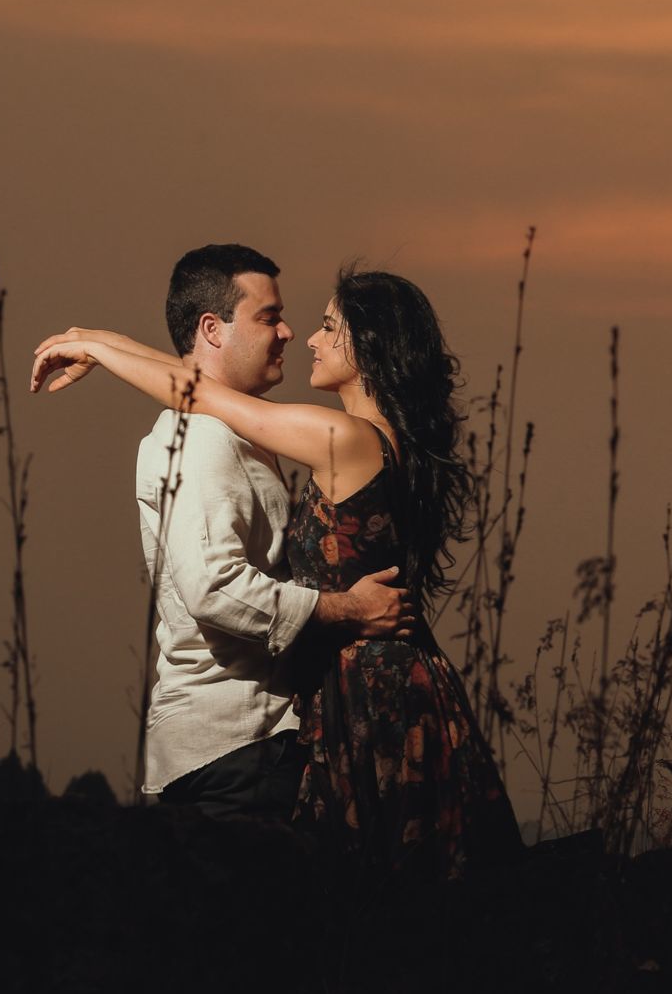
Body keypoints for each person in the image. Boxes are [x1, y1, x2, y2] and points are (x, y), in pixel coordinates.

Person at [34, 260, 522, 877]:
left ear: (365, 345)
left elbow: (201, 393)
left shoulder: (343, 437)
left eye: (327, 326)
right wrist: (96, 338)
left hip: (374, 688)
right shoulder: (384, 439)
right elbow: (204, 387)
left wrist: (97, 348)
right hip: (384, 679)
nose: (308, 338)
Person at [65, 244, 416, 821]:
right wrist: (345, 609)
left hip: (264, 737)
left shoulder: (244, 428)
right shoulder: (203, 439)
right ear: (213, 328)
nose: (290, 332)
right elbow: (213, 588)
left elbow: (201, 388)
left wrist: (105, 344)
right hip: (236, 744)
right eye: (269, 317)